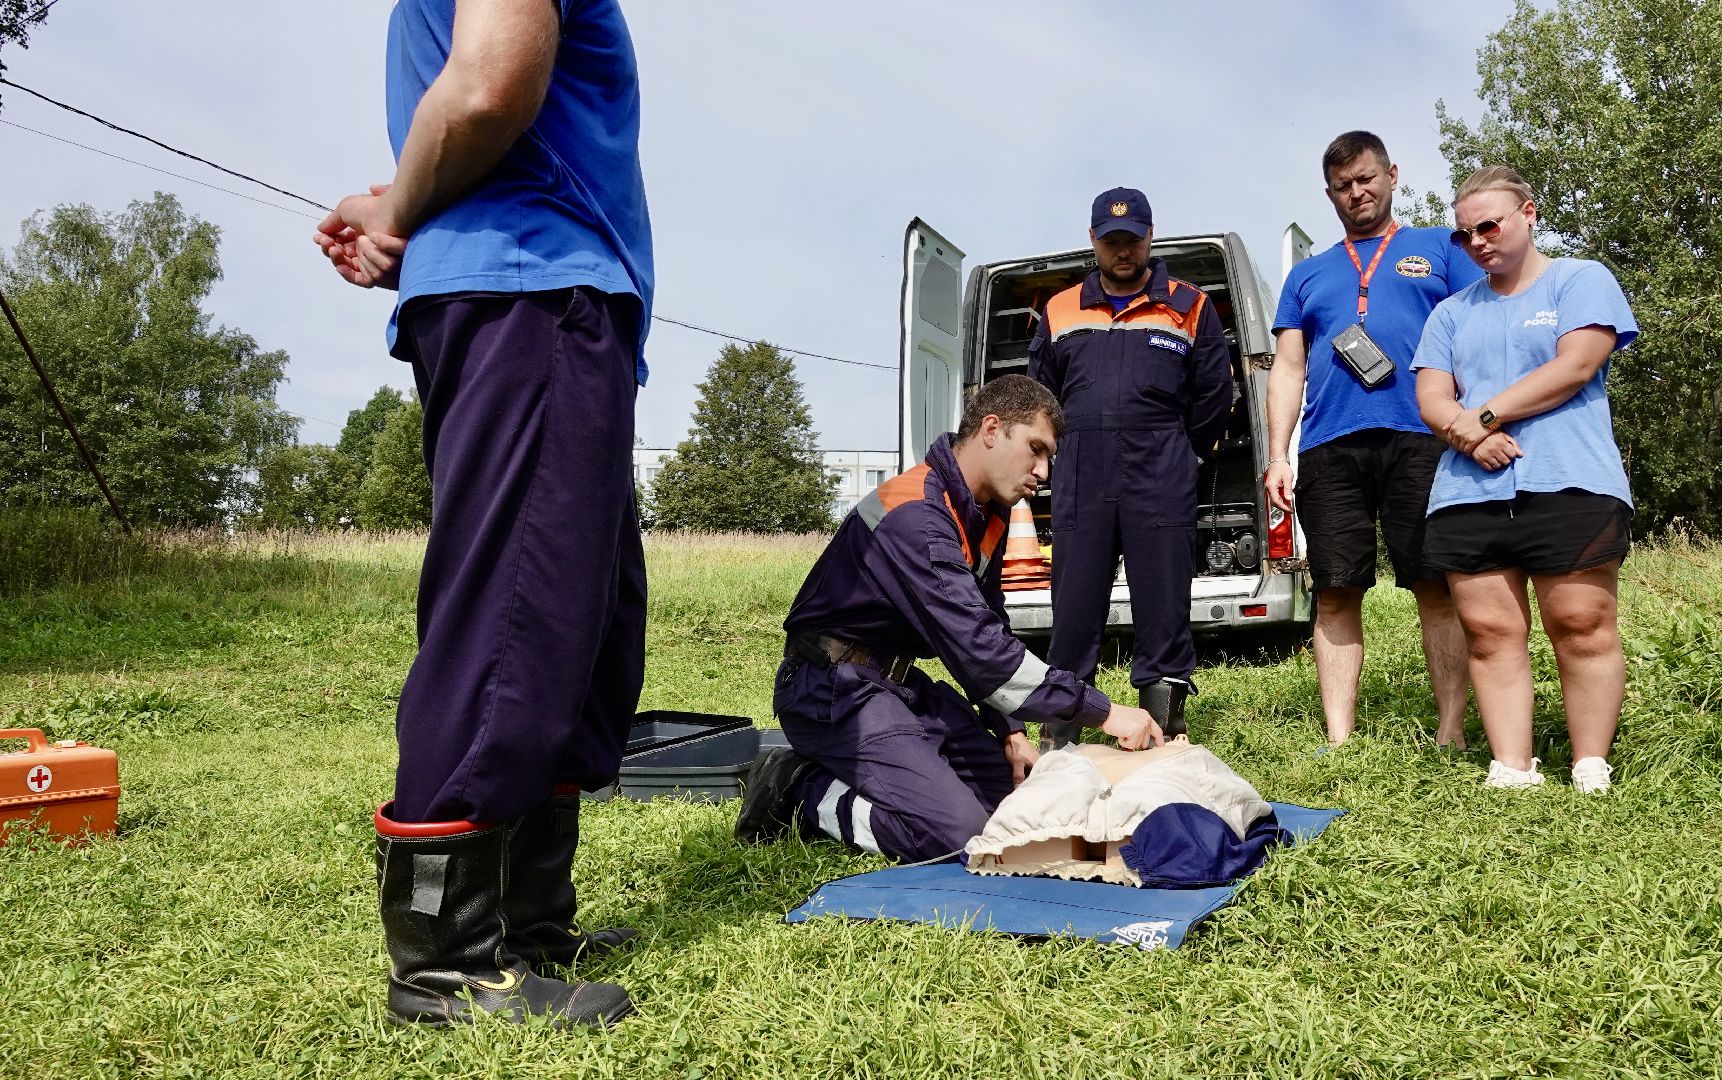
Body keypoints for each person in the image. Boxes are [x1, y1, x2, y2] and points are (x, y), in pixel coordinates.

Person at [312, 0, 653, 1028]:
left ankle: (527, 918)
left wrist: (391, 202)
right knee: (516, 612)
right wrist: (399, 212)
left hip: (549, 291)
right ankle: (442, 956)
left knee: (583, 624)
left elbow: (471, 106)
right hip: (527, 287)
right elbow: (488, 87)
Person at [734, 376, 1165, 863]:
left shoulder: (985, 514)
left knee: (1015, 803)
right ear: (991, 428)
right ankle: (799, 789)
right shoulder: (916, 514)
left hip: (896, 685)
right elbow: (980, 650)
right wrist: (1106, 712)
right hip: (831, 690)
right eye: (1036, 449)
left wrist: (1012, 733)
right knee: (960, 836)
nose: (1043, 472)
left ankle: (890, 774)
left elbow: (987, 627)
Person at [1412, 165, 1640, 793]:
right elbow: (1431, 395)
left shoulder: (1580, 279)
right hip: (1468, 493)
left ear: (1529, 214)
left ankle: (1590, 762)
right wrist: (1467, 437)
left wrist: (1480, 417)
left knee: (1581, 623)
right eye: (1464, 235)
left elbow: (1577, 365)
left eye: (1488, 225)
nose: (1477, 241)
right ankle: (1511, 765)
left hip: (1570, 479)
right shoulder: (1451, 312)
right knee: (1490, 633)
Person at [1265, 131, 1483, 749]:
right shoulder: (1308, 274)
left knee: (1436, 584)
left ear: (1391, 174)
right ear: (1329, 193)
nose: (1356, 193)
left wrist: (1482, 420)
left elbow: (1479, 323)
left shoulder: (1440, 247)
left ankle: (1451, 733)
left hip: (1424, 436)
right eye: (1342, 186)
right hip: (1331, 446)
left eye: (1366, 179)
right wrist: (1277, 456)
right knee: (1335, 591)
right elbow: (1286, 368)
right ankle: (1340, 738)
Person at [1026, 188, 1237, 747]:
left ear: (1150, 236)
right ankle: (1061, 730)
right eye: (1111, 240)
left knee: (1164, 603)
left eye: (1133, 239)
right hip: (1080, 473)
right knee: (1074, 605)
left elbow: (1216, 392)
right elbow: (1037, 398)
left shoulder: (1190, 305)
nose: (1123, 251)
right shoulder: (1060, 308)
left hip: (1161, 470)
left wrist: (1185, 452)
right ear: (1093, 240)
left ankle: (1163, 726)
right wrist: (1050, 460)